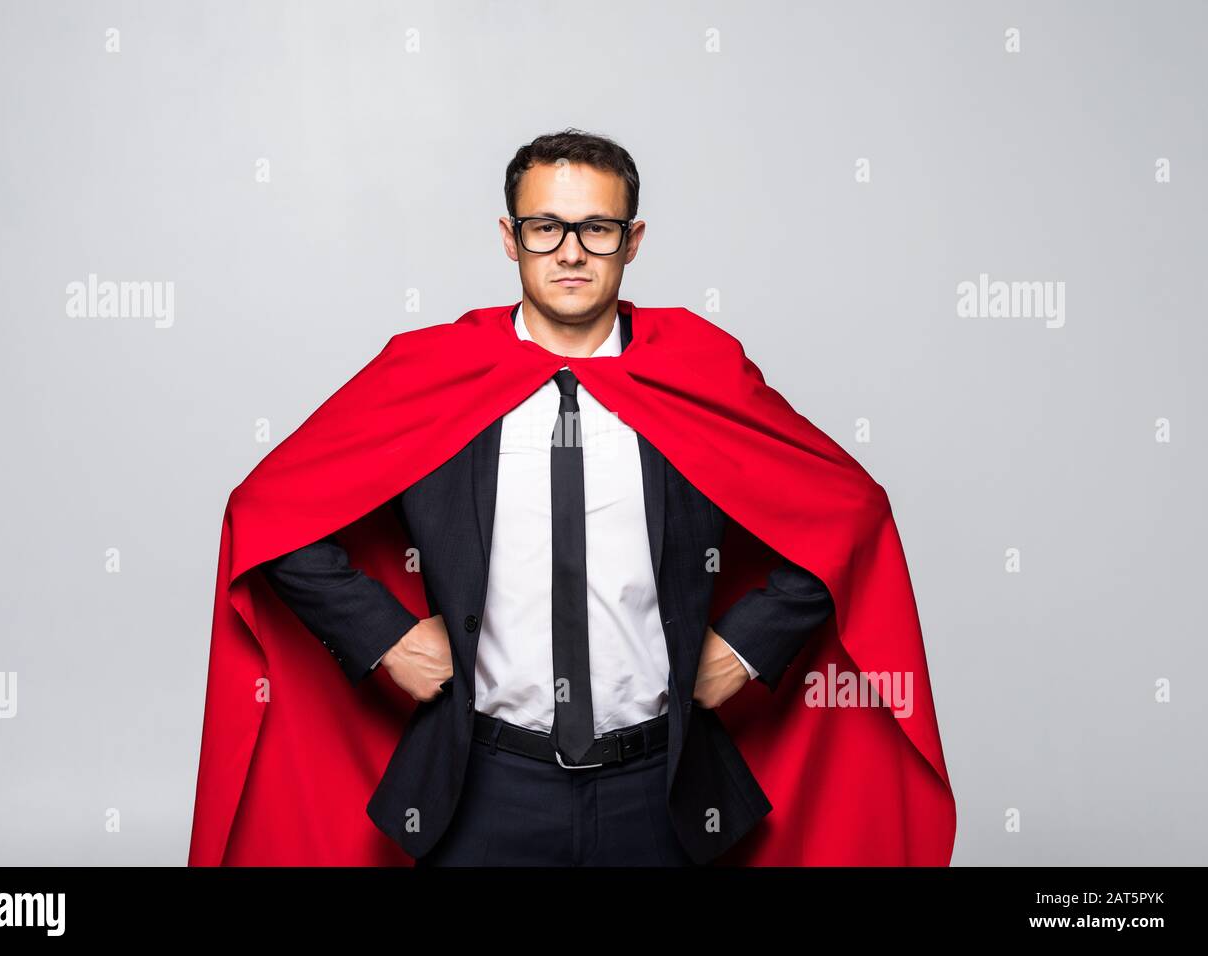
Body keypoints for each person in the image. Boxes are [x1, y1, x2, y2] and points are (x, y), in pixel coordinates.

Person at [258, 130, 834, 866]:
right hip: (483, 788)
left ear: (633, 241)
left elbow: (845, 517)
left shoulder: (698, 372)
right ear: (511, 238)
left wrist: (751, 646)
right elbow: (272, 512)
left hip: (662, 790)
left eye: (597, 228)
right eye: (545, 228)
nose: (570, 252)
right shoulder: (432, 374)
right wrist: (384, 636)